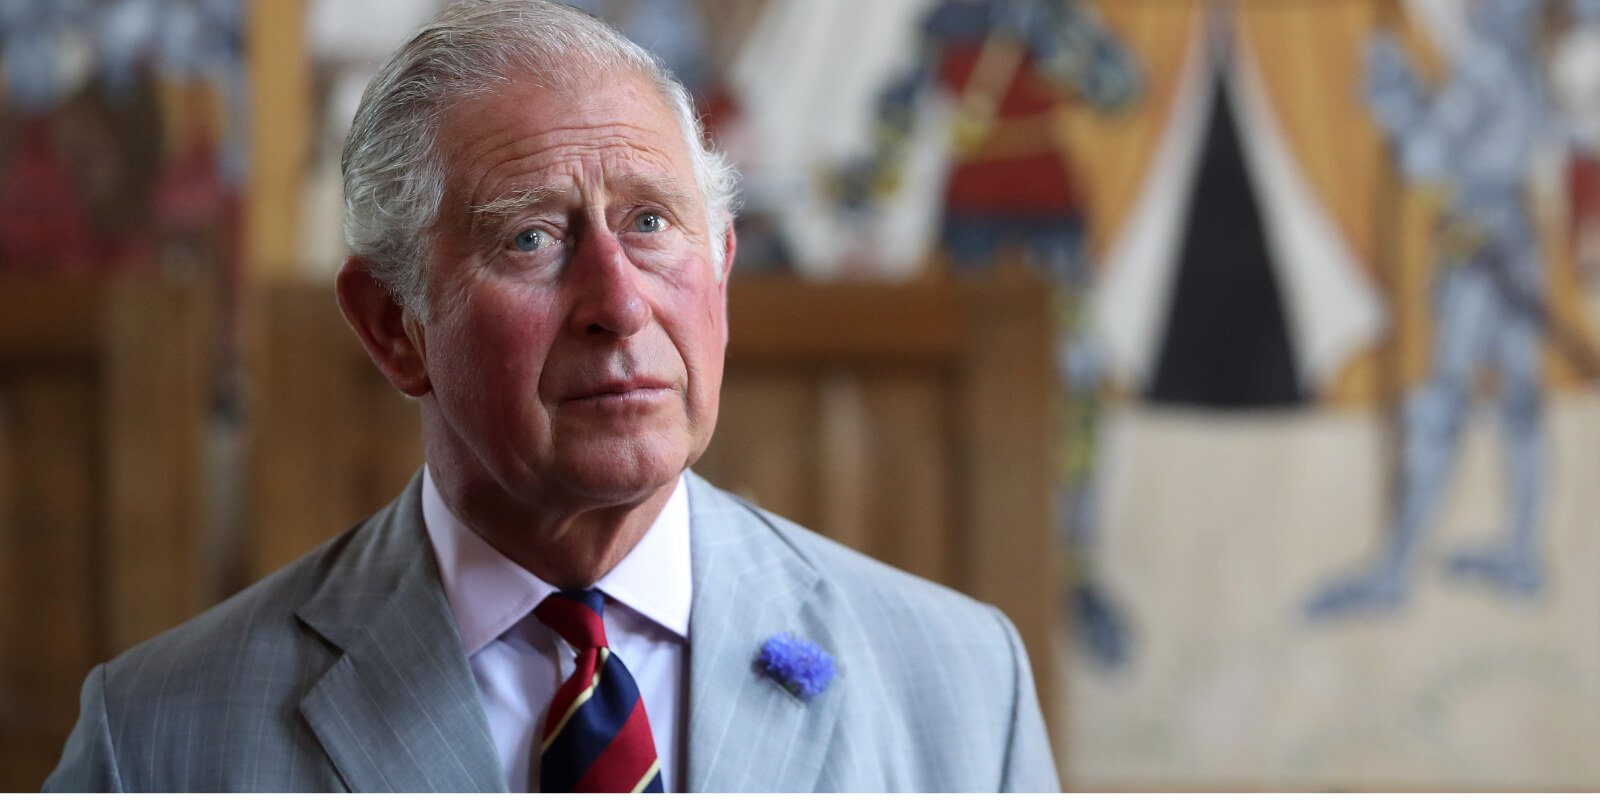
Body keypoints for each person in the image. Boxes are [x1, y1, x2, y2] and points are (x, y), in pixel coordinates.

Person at [43, 0, 1059, 792]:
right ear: (392, 324)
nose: (618, 303)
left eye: (653, 223)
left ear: (723, 272)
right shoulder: (157, 736)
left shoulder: (963, 684)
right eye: (531, 236)